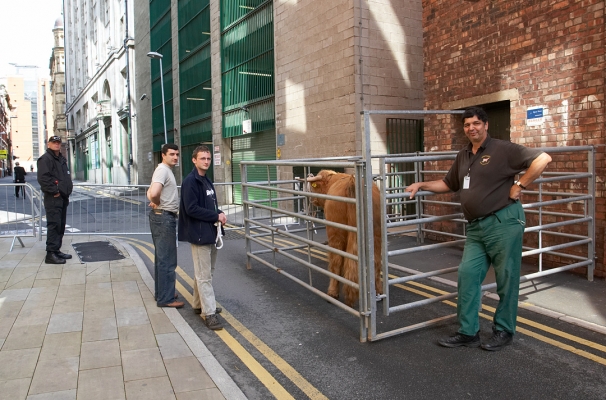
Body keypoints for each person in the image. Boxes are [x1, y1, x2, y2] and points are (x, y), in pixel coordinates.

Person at [405, 107, 552, 351]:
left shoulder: (503, 149)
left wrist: (520, 184)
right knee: (468, 275)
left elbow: (543, 158)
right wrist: (421, 184)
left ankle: (504, 330)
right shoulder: (464, 154)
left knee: (506, 277)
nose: (471, 128)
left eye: (475, 123)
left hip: (503, 222)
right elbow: (448, 183)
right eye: (466, 125)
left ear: (485, 125)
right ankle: (468, 332)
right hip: (475, 227)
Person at [178, 145, 227, 330]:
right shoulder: (190, 181)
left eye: (208, 158)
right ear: (194, 160)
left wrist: (220, 213)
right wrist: (216, 216)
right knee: (204, 275)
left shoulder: (206, 180)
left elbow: (210, 206)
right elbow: (191, 209)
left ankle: (199, 305)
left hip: (210, 233)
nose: (206, 161)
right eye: (202, 158)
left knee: (206, 273)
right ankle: (209, 313)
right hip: (199, 235)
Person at [147, 143, 184, 308]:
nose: (175, 157)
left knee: (162, 258)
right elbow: (154, 192)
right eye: (171, 154)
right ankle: (166, 299)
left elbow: (152, 193)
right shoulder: (163, 170)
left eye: (177, 154)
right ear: (163, 155)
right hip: (164, 217)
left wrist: (155, 201)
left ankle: (163, 293)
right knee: (167, 260)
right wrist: (156, 202)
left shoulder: (165, 170)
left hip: (161, 216)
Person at [37, 135, 74, 264]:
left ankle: (56, 250)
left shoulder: (61, 159)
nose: (56, 144)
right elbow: (43, 179)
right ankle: (50, 254)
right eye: (54, 142)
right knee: (54, 225)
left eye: (58, 142)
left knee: (60, 225)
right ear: (49, 144)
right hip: (53, 198)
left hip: (62, 197)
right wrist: (55, 191)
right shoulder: (45, 159)